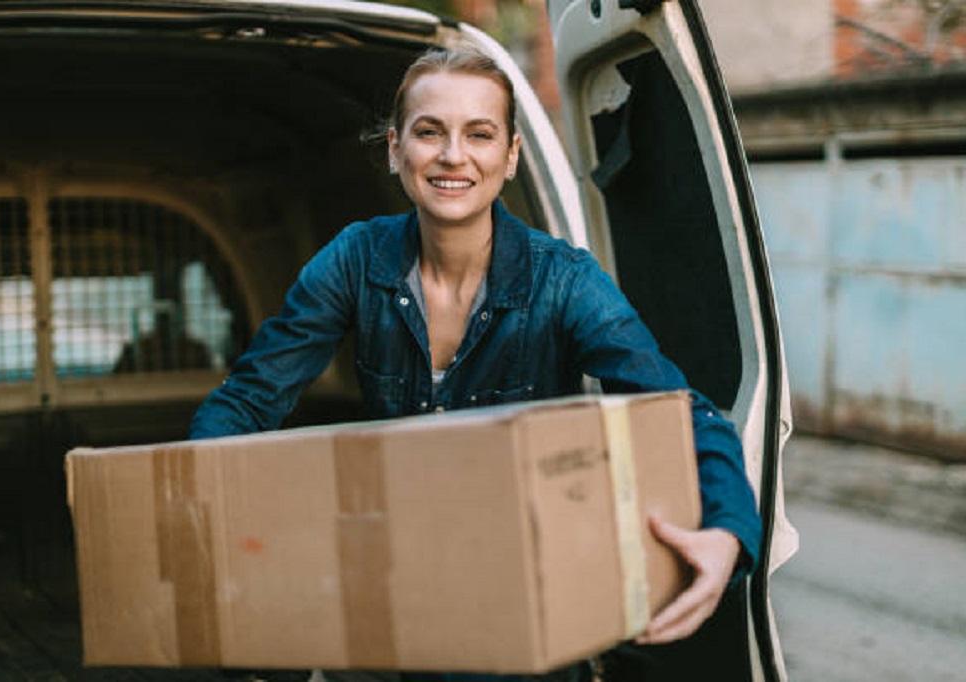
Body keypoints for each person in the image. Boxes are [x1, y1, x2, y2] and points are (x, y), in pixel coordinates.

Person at [190, 46, 761, 679]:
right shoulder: (356, 259)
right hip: (397, 593)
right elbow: (248, 398)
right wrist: (191, 501)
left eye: (480, 134)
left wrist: (727, 530)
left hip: (523, 604)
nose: (453, 155)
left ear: (510, 155)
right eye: (429, 132)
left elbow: (679, 411)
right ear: (394, 149)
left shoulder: (564, 281)